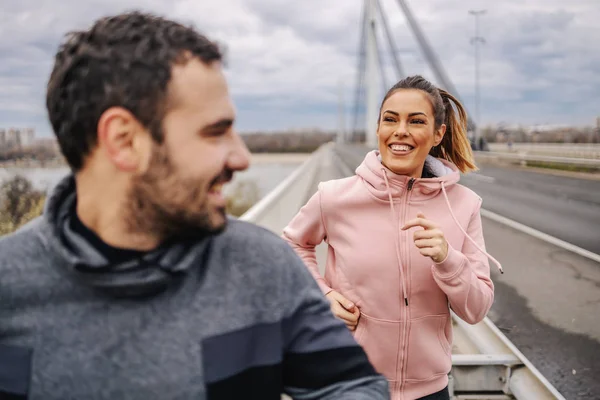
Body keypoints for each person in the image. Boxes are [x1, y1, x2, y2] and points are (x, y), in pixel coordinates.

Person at [0, 12, 390, 400]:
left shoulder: (260, 265)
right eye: (215, 133)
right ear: (124, 141)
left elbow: (351, 386)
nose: (241, 158)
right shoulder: (9, 285)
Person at [283, 75, 503, 400]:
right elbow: (290, 245)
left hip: (429, 391)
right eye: (390, 119)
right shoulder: (335, 197)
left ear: (437, 134)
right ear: (378, 129)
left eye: (416, 121)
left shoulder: (463, 205)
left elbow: (476, 309)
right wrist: (322, 295)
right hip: (348, 383)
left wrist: (448, 260)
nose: (400, 131)